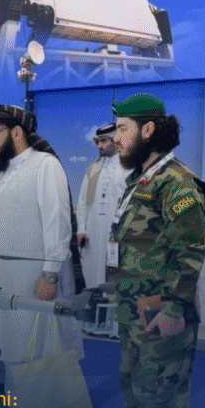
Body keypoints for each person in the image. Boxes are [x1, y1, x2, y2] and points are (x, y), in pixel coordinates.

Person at [109, 93, 205, 408]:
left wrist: (173, 308)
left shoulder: (177, 183)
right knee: (136, 398)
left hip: (162, 314)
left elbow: (190, 251)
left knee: (164, 405)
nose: (116, 137)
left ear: (148, 129)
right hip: (134, 313)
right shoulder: (142, 179)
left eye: (123, 128)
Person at [0, 105, 83, 392]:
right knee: (12, 346)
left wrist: (50, 274)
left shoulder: (45, 165)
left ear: (17, 132)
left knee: (37, 354)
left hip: (35, 282)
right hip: (4, 282)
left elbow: (57, 222)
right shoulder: (3, 171)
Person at [76, 123, 132, 289]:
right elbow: (82, 201)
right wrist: (81, 228)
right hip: (92, 232)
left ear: (116, 140)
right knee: (91, 275)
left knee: (112, 274)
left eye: (103, 141)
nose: (99, 146)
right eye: (97, 142)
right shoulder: (92, 169)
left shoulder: (130, 168)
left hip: (116, 233)